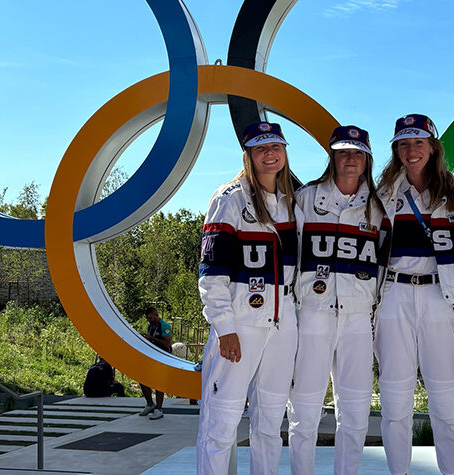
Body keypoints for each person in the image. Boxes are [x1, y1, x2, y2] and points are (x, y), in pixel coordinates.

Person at [196, 122, 299, 475]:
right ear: (249, 155)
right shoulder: (229, 199)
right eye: (261, 149)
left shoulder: (292, 203)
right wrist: (224, 326)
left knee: (270, 422)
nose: (270, 154)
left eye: (276, 147)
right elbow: (211, 272)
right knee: (221, 420)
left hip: (284, 324)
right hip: (241, 324)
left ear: (285, 152)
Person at [288, 126, 383, 475]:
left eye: (357, 152)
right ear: (332, 155)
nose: (350, 159)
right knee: (303, 413)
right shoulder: (305, 199)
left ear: (367, 158)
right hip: (312, 316)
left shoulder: (377, 206)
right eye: (344, 151)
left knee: (356, 414)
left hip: (358, 319)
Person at [375, 114, 454, 475]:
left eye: (418, 142)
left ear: (433, 146)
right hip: (393, 295)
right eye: (403, 143)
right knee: (395, 400)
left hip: (439, 297)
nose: (411, 150)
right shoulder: (383, 194)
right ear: (396, 150)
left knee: (446, 399)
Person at [139, 306, 171, 420]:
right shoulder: (150, 326)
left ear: (156, 315)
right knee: (142, 379)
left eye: (151, 318)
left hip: (163, 356)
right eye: (147, 319)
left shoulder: (164, 326)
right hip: (152, 356)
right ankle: (149, 404)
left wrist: (152, 338)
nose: (149, 321)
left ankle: (159, 408)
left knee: (159, 382)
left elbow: (167, 344)